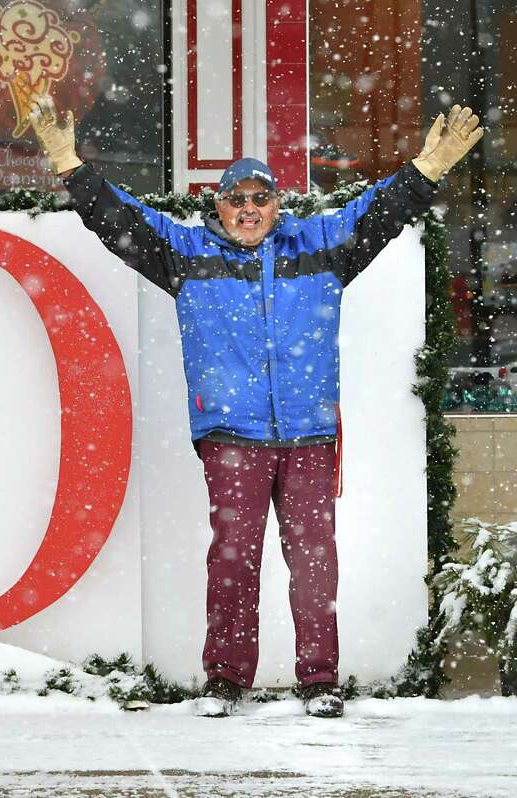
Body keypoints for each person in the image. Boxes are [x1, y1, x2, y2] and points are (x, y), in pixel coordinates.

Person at [28, 96, 483, 718]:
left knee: (315, 562)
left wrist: (427, 168)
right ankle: (225, 681)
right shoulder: (185, 253)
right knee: (234, 559)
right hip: (231, 434)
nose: (248, 209)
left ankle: (319, 681)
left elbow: (379, 212)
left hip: (309, 432)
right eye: (236, 199)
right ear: (218, 206)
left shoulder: (322, 246)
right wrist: (67, 163)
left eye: (259, 198)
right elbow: (118, 218)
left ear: (277, 204)